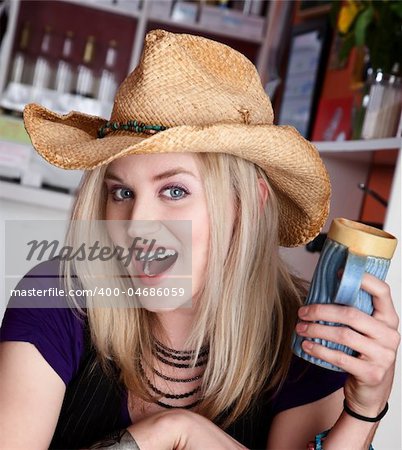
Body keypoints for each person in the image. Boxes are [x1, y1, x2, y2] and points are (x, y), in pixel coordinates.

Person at [0, 29, 399, 450]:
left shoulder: (301, 336)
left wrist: (363, 411)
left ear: (248, 205)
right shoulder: (56, 294)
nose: (136, 225)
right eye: (122, 192)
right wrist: (166, 432)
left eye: (174, 191)